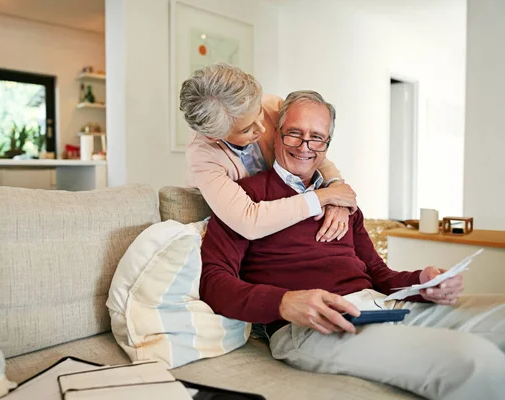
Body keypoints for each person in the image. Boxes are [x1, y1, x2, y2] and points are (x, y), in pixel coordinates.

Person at [199, 90, 505, 400]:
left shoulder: (342, 201)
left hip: (379, 306)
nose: (305, 147)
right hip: (312, 326)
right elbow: (213, 281)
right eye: (294, 134)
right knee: (476, 361)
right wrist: (283, 302)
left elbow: (377, 272)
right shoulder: (245, 198)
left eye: (317, 138)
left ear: (327, 145)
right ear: (276, 135)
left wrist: (421, 282)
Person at [180, 63, 357, 241]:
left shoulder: (272, 105)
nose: (262, 129)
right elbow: (248, 222)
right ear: (214, 137)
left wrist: (336, 191)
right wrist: (323, 197)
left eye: (259, 113)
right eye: (246, 129)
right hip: (246, 229)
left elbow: (309, 153)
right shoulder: (202, 155)